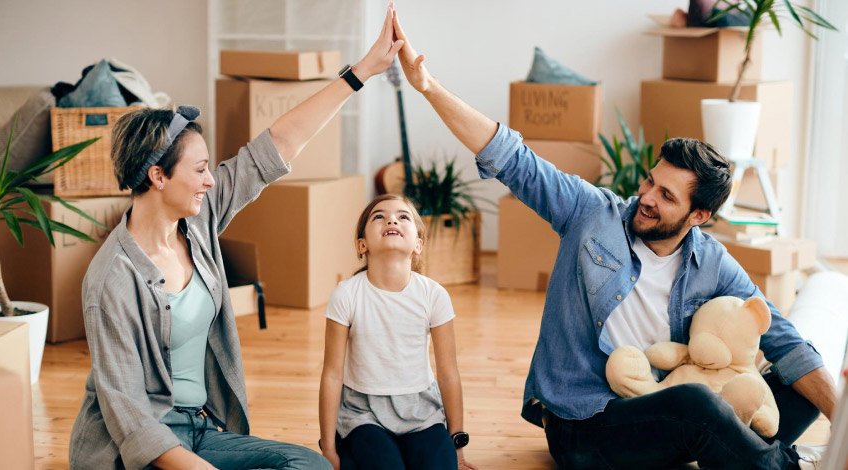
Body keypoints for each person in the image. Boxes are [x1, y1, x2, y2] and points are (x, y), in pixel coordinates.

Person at [390, 12, 838, 470]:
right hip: (587, 425)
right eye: (650, 182)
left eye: (666, 196)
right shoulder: (592, 214)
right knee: (697, 405)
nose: (647, 197)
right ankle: (782, 465)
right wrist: (427, 86)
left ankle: (761, 458)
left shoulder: (711, 262)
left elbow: (784, 341)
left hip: (659, 409)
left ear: (699, 216)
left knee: (798, 385)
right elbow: (510, 157)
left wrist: (842, 422)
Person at [67, 5, 404, 469]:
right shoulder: (111, 280)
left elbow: (275, 148)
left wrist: (361, 72)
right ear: (158, 176)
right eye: (200, 170)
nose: (211, 180)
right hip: (136, 453)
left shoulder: (196, 222)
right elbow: (132, 422)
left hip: (199, 431)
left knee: (311, 466)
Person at [318, 194, 477, 470]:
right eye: (379, 216)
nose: (392, 220)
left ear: (418, 244)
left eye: (403, 217)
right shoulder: (346, 294)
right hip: (363, 413)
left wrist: (457, 448)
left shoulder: (434, 295)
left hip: (421, 412)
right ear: (362, 245)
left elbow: (448, 373)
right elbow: (332, 374)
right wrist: (328, 449)